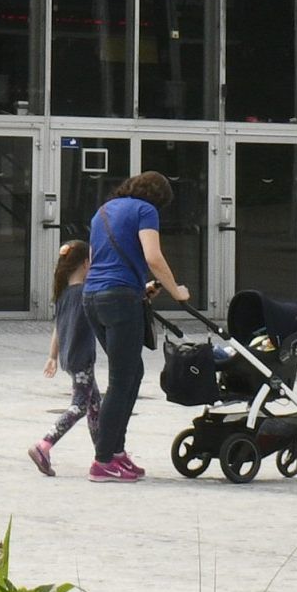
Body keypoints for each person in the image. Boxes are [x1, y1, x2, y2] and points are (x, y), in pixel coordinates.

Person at [79, 172, 192, 483]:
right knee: (121, 378)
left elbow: (96, 259)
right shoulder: (146, 211)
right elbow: (153, 257)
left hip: (92, 297)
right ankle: (103, 460)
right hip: (119, 299)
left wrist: (140, 287)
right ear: (158, 198)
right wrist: (175, 290)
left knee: (132, 372)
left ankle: (116, 452)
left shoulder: (102, 211)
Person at [26, 241, 95, 476]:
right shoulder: (85, 294)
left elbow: (58, 327)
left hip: (69, 356)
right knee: (79, 406)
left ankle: (103, 454)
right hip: (81, 357)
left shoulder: (64, 294)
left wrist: (52, 356)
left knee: (95, 405)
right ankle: (44, 444)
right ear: (86, 264)